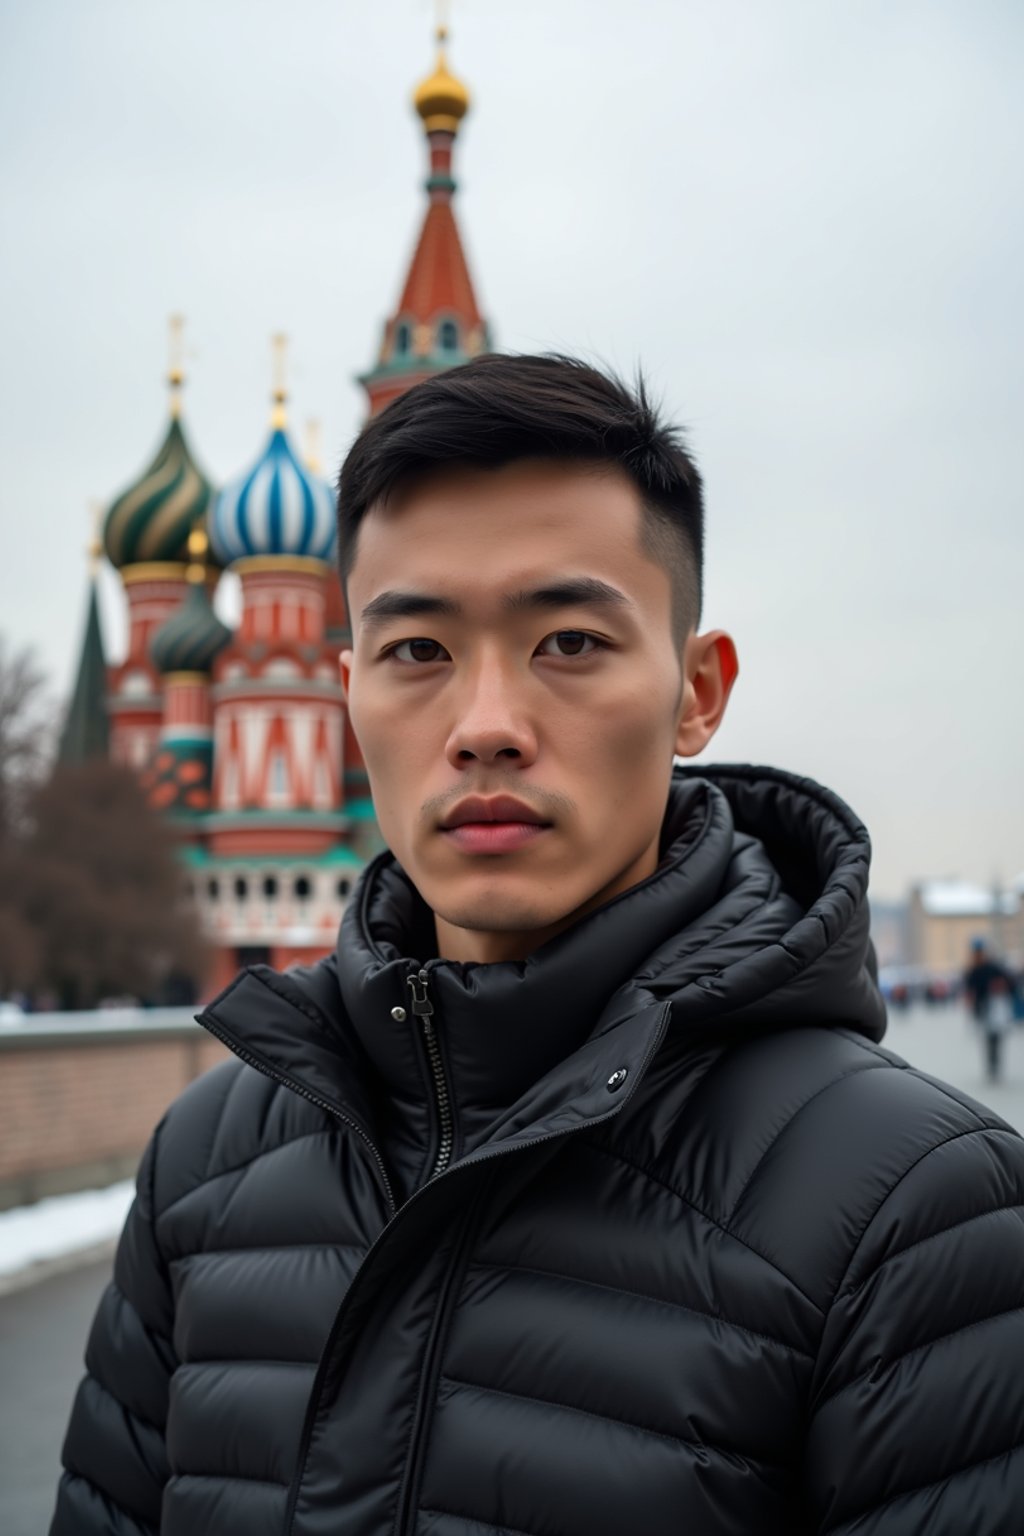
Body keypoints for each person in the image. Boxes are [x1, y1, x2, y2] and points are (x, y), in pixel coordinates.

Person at [52, 356, 1024, 1535]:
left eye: (568, 641)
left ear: (695, 693)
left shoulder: (924, 1212)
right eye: (418, 652)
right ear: (346, 692)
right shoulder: (207, 1165)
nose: (487, 729)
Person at [964, 935, 1017, 1081]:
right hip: (982, 1008)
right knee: (988, 1039)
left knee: (996, 1038)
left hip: (996, 1008)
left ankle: (995, 1066)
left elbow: (1011, 984)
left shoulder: (994, 967)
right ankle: (991, 1066)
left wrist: (1001, 986)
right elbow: (969, 989)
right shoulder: (973, 969)